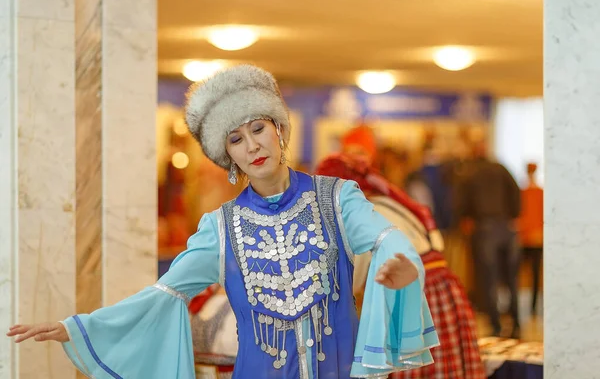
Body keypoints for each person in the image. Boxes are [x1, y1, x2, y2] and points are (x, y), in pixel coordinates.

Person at [7, 65, 438, 378]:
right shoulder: (220, 227)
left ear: (279, 130)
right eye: (236, 139)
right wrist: (77, 327)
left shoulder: (337, 197)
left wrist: (402, 266)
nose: (252, 145)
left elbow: (387, 239)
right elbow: (161, 296)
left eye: (258, 128)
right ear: (226, 155)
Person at [316, 152, 485, 379]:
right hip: (443, 288)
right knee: (443, 365)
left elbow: (351, 279)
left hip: (413, 292)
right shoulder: (390, 202)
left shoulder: (363, 213)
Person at [457, 141, 521, 338]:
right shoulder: (501, 168)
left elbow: (462, 202)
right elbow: (516, 191)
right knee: (511, 279)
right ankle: (517, 324)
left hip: (484, 228)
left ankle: (496, 325)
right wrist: (513, 216)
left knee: (489, 279)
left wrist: (465, 220)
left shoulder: (469, 172)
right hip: (506, 227)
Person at [518, 162, 543, 315]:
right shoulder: (523, 192)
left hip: (535, 239)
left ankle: (533, 307)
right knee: (520, 274)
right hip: (524, 238)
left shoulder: (539, 193)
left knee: (534, 274)